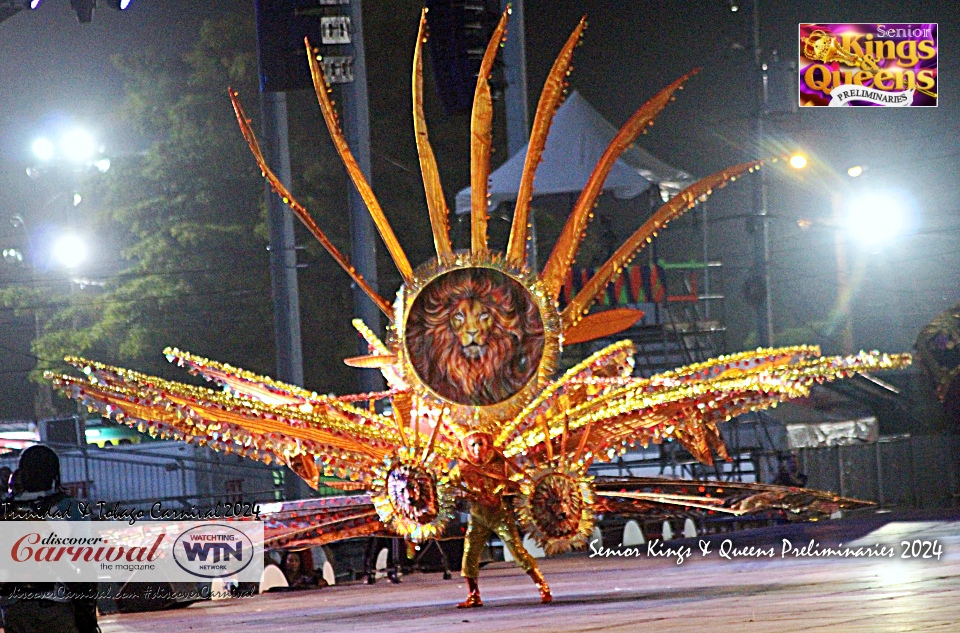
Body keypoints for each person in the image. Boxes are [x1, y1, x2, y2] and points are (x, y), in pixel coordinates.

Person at [1, 445, 98, 633]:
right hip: (58, 605)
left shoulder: (7, 511)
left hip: (14, 607)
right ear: (54, 474)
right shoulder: (71, 508)